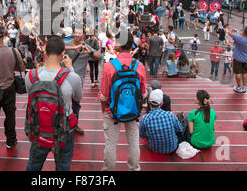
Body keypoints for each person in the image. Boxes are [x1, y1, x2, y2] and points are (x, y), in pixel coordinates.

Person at [24, 36, 82, 171]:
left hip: (39, 127)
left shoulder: (31, 76)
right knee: (63, 166)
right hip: (64, 129)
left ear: (44, 51)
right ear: (63, 54)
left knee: (34, 164)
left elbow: (30, 96)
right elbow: (77, 98)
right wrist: (71, 69)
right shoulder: (72, 77)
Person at [100, 31, 147, 171]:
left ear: (118, 45)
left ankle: (108, 170)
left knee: (110, 143)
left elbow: (104, 95)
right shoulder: (138, 65)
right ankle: (134, 168)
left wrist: (104, 111)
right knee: (133, 141)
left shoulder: (109, 66)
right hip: (133, 110)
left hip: (112, 111)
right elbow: (143, 93)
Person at [65, 27, 101, 134]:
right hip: (65, 78)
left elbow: (100, 56)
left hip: (78, 81)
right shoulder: (66, 43)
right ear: (72, 33)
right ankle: (63, 124)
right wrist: (74, 47)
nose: (77, 35)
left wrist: (89, 53)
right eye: (75, 32)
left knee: (76, 104)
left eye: (80, 33)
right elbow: (56, 47)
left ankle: (74, 124)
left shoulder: (86, 46)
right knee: (64, 102)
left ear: (84, 36)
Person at [139, 89, 183, 154]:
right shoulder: (170, 115)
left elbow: (142, 136)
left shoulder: (145, 119)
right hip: (172, 148)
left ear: (148, 102)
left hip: (154, 149)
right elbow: (180, 129)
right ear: (161, 103)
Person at [228, 27, 247, 93]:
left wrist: (233, 29)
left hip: (238, 58)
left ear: (244, 32)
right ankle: (244, 87)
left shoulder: (239, 38)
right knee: (244, 73)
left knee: (238, 73)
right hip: (246, 59)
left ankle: (239, 87)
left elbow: (229, 33)